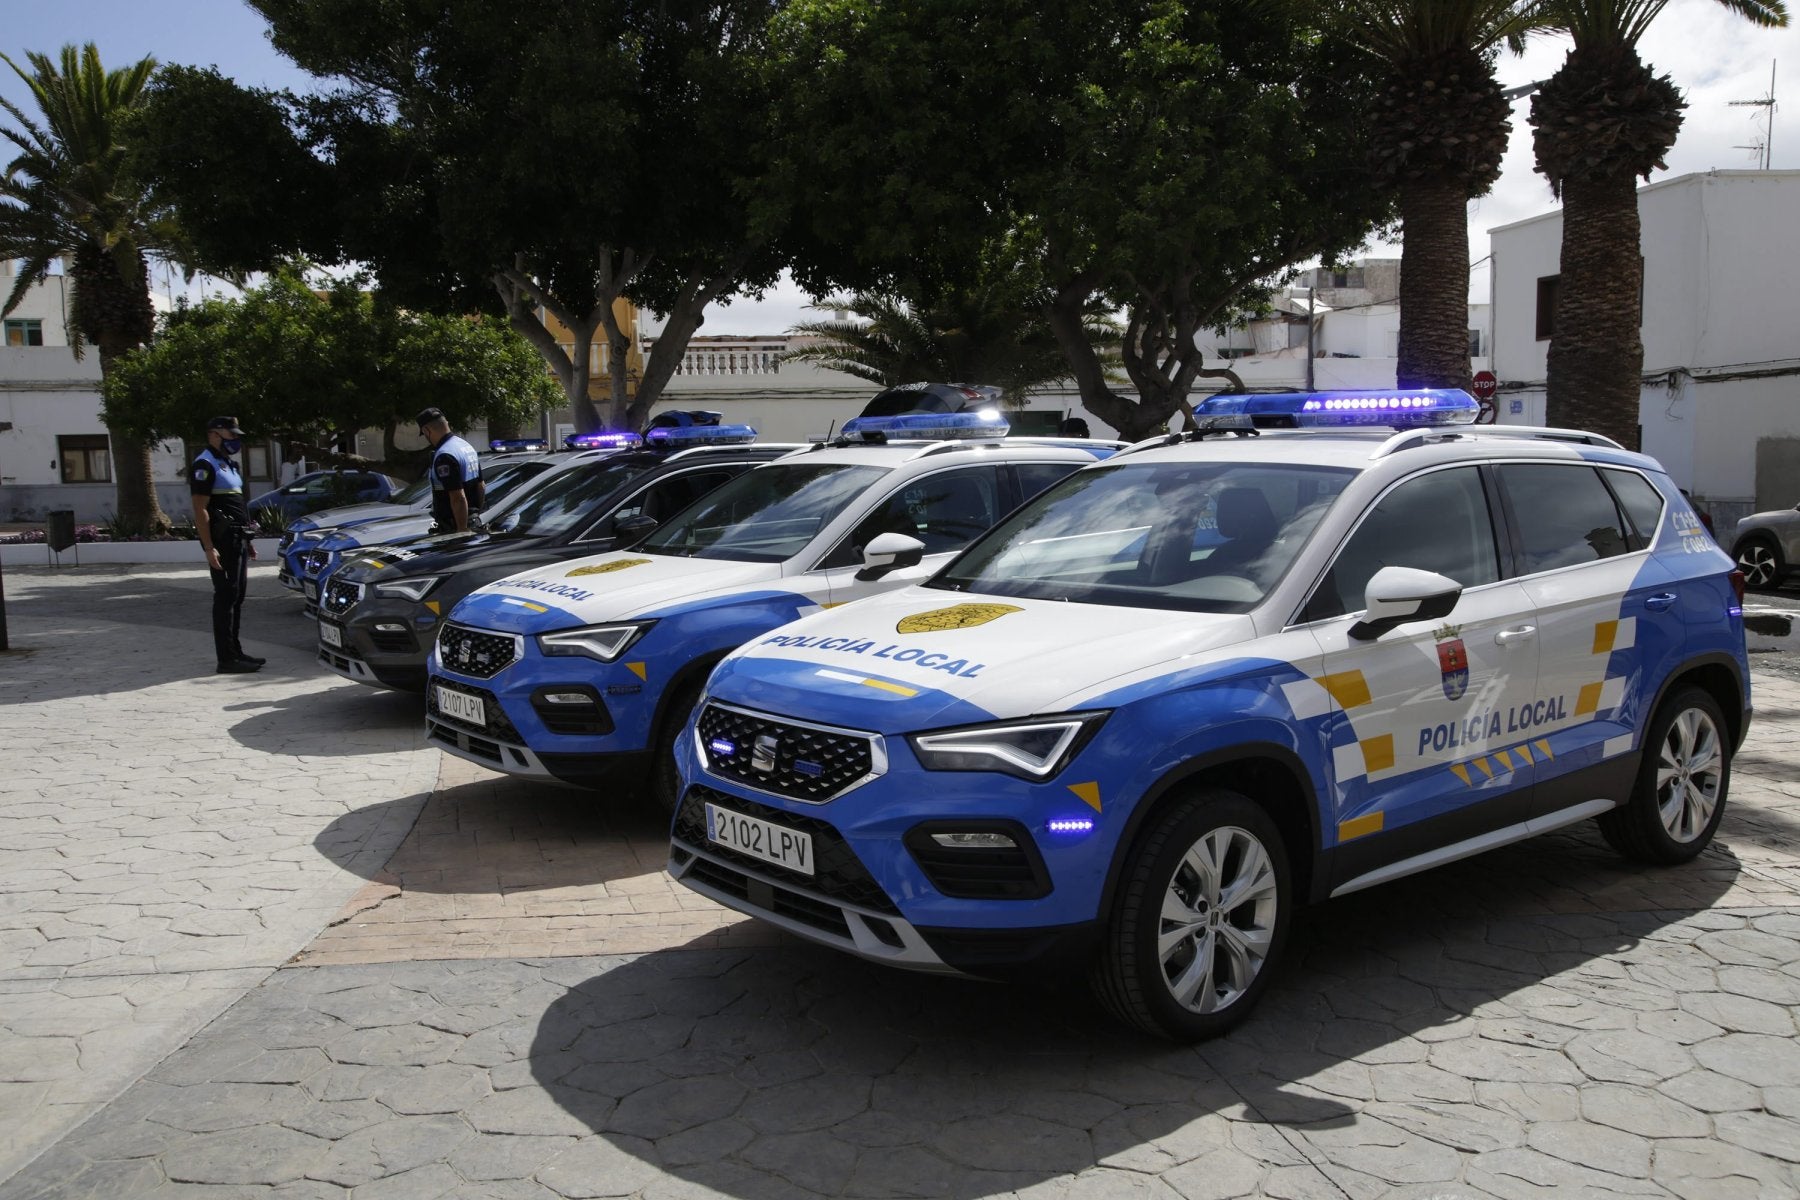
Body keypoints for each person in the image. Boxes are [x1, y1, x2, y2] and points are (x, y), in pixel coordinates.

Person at [190, 416, 265, 674]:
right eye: (231, 434)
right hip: (222, 542)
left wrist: (248, 540)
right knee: (225, 597)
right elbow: (200, 509)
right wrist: (208, 547)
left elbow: (237, 505)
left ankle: (236, 651)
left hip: (237, 540)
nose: (235, 439)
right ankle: (226, 659)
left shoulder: (227, 464)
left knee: (236, 597)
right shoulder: (204, 464)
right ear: (214, 434)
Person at [417, 407, 485, 533]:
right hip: (474, 522)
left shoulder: (445, 455)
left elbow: (458, 497)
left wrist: (462, 530)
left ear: (426, 430)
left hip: (454, 527)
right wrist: (476, 514)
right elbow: (481, 485)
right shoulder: (466, 446)